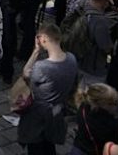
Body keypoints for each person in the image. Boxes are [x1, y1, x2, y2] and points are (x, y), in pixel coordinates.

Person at [17, 23, 78, 155]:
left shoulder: (42, 67)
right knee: (49, 146)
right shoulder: (72, 59)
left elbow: (25, 73)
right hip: (57, 113)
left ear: (43, 39)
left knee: (36, 148)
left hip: (37, 117)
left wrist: (36, 51)